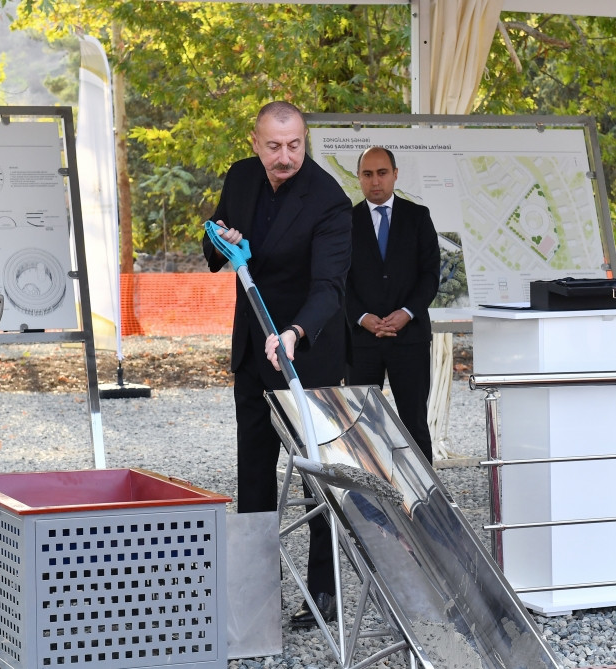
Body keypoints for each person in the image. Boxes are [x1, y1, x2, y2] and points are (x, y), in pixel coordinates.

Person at [201, 101, 352, 627]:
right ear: (254, 142)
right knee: (255, 475)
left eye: (295, 146)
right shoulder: (241, 179)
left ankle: (323, 599)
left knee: (315, 477)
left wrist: (293, 332)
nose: (285, 157)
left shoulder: (331, 200)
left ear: (305, 141)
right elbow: (213, 247)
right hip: (252, 349)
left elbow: (330, 288)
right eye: (274, 147)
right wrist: (224, 240)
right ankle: (256, 595)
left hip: (306, 352)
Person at [345, 147, 441, 462]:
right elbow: (337, 278)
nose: (376, 181)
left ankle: (425, 504)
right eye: (368, 174)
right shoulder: (345, 221)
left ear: (395, 174)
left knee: (413, 423)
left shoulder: (418, 217)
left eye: (382, 173)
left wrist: (406, 313)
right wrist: (361, 317)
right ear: (359, 177)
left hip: (409, 338)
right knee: (361, 425)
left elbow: (430, 275)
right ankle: (365, 501)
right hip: (361, 341)